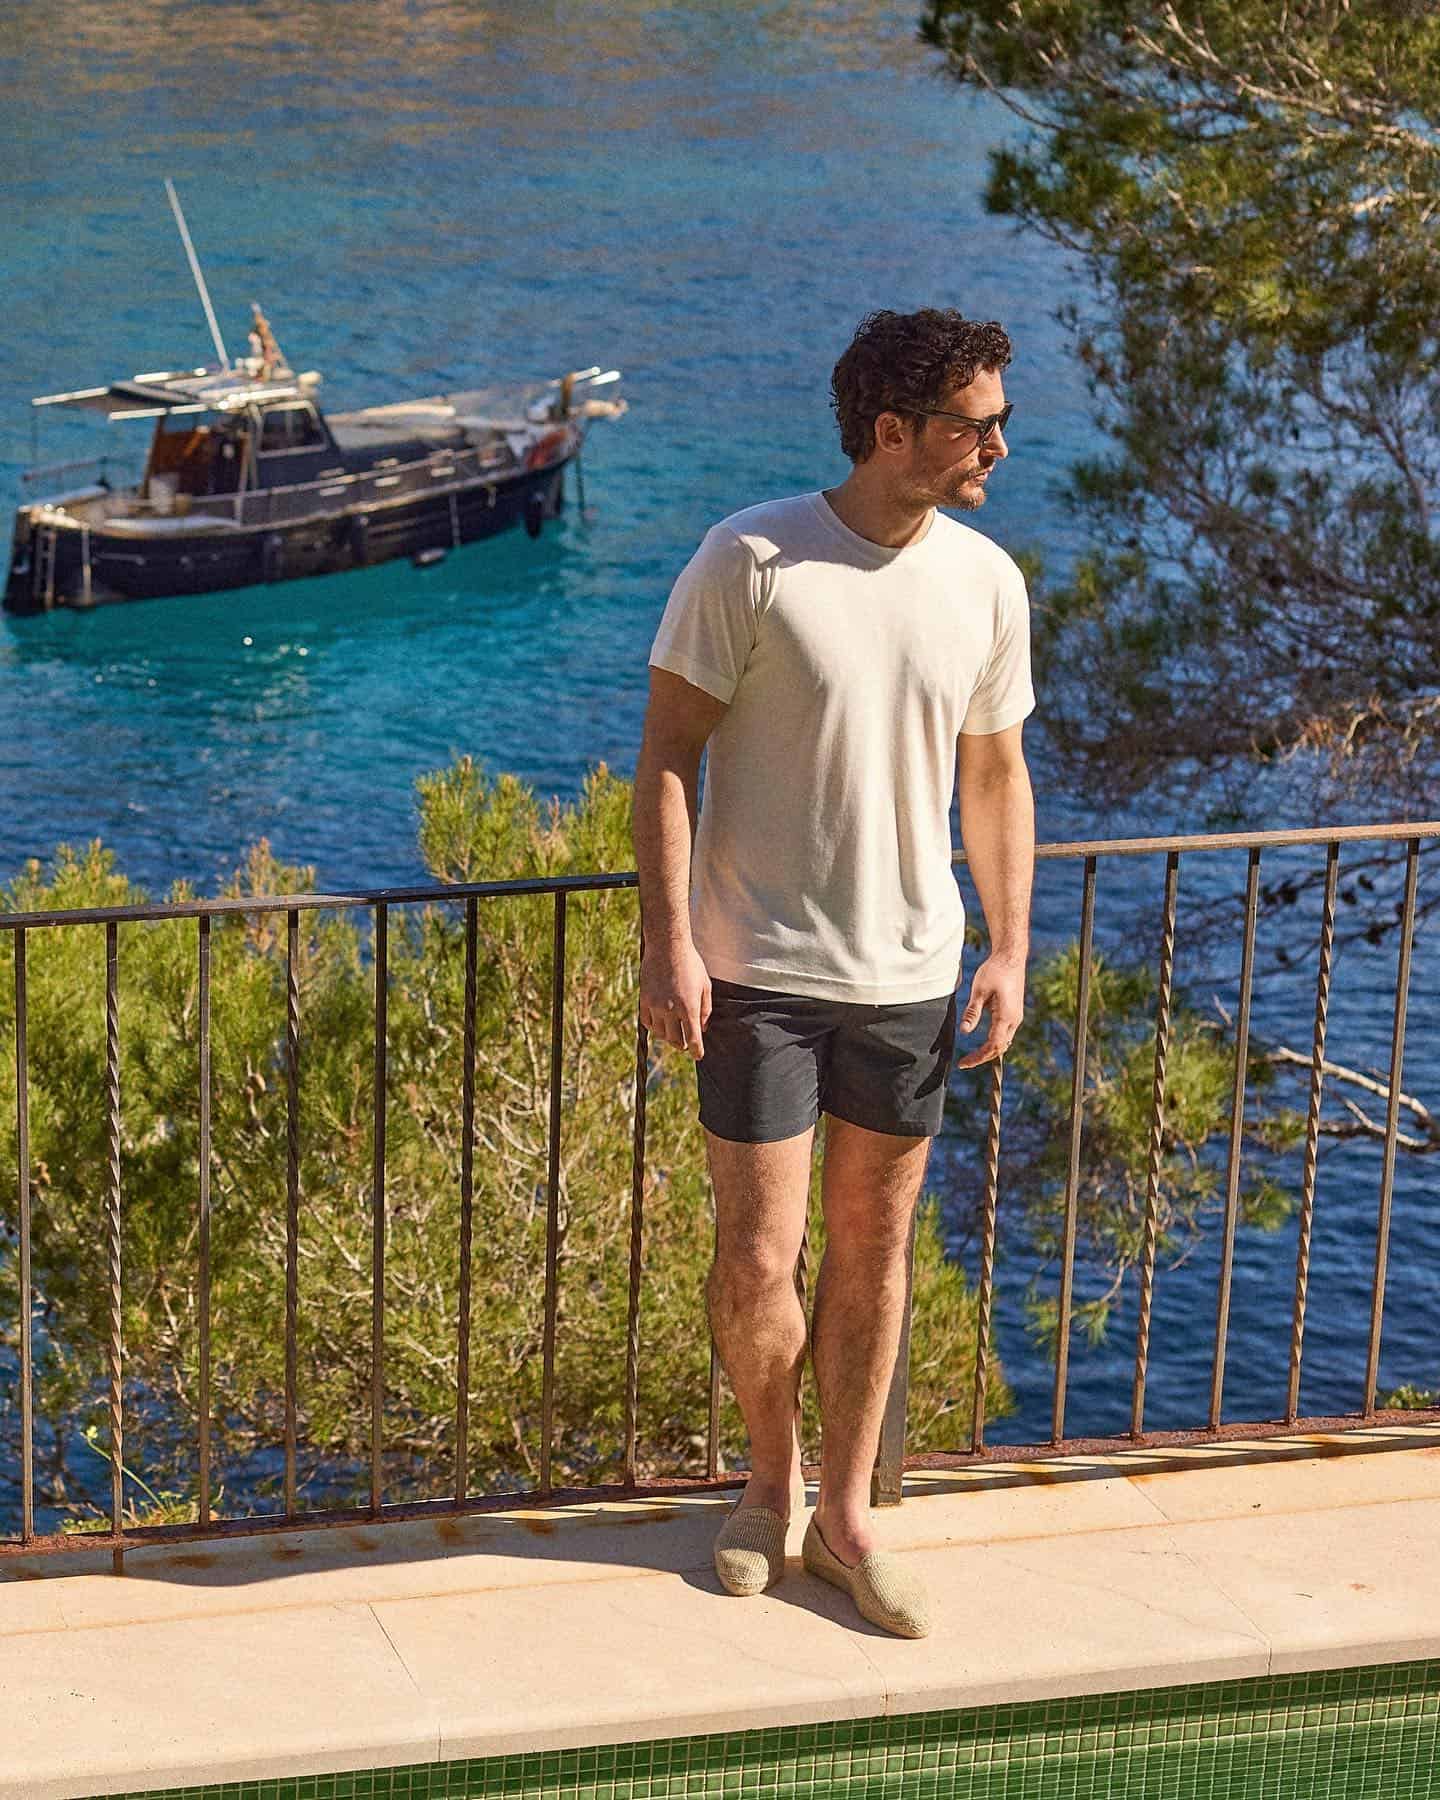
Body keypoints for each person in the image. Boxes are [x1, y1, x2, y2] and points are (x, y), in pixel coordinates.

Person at [631, 308, 1036, 1639]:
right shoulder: (749, 561)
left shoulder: (985, 580)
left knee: (876, 1252)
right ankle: (767, 1486)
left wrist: (1009, 946)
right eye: (978, 422)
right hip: (759, 977)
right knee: (759, 1262)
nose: (998, 443)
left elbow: (994, 773)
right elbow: (669, 761)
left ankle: (850, 1515)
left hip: (910, 979)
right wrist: (669, 942)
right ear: (893, 433)